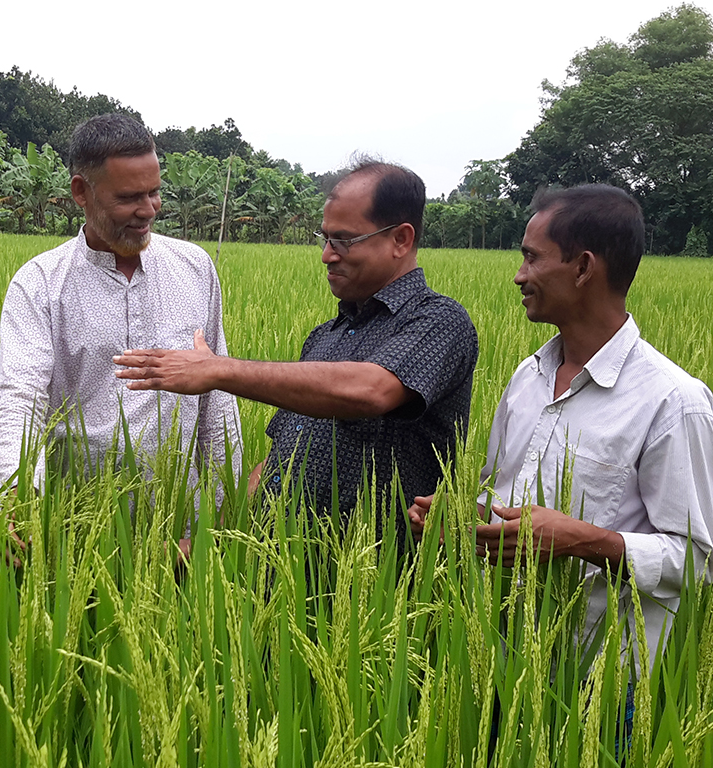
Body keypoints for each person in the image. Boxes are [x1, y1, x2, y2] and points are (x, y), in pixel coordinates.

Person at [409, 183, 713, 669]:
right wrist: (462, 519)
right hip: (496, 653)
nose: (519, 276)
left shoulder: (672, 400)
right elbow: (505, 500)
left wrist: (582, 540)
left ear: (583, 268)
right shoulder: (527, 377)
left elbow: (698, 563)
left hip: (600, 683)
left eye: (532, 258)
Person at [113, 159, 478, 529]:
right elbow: (278, 460)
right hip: (284, 570)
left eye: (344, 240)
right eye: (326, 238)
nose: (327, 254)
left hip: (372, 574)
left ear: (401, 239)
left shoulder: (439, 321)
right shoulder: (325, 337)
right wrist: (214, 536)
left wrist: (218, 370)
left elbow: (371, 391)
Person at [0, 113, 242, 501]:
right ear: (81, 191)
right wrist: (17, 493)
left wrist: (226, 512)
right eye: (128, 198)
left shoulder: (194, 268)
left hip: (181, 519)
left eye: (154, 192)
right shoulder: (40, 283)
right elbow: (20, 398)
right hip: (77, 518)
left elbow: (217, 402)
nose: (148, 210)